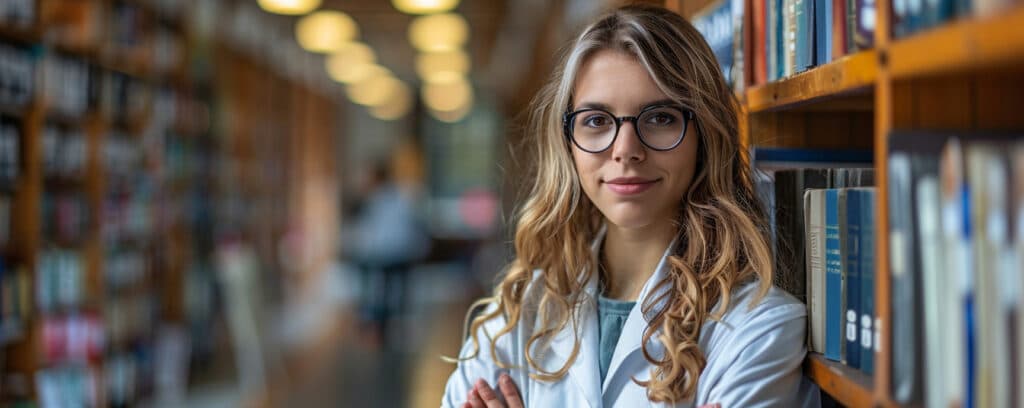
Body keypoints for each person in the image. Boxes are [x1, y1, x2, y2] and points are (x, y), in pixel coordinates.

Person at [440, 4, 819, 408]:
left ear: (704, 135)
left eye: (659, 118)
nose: (625, 150)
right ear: (568, 142)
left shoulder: (759, 330)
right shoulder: (517, 314)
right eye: (597, 121)